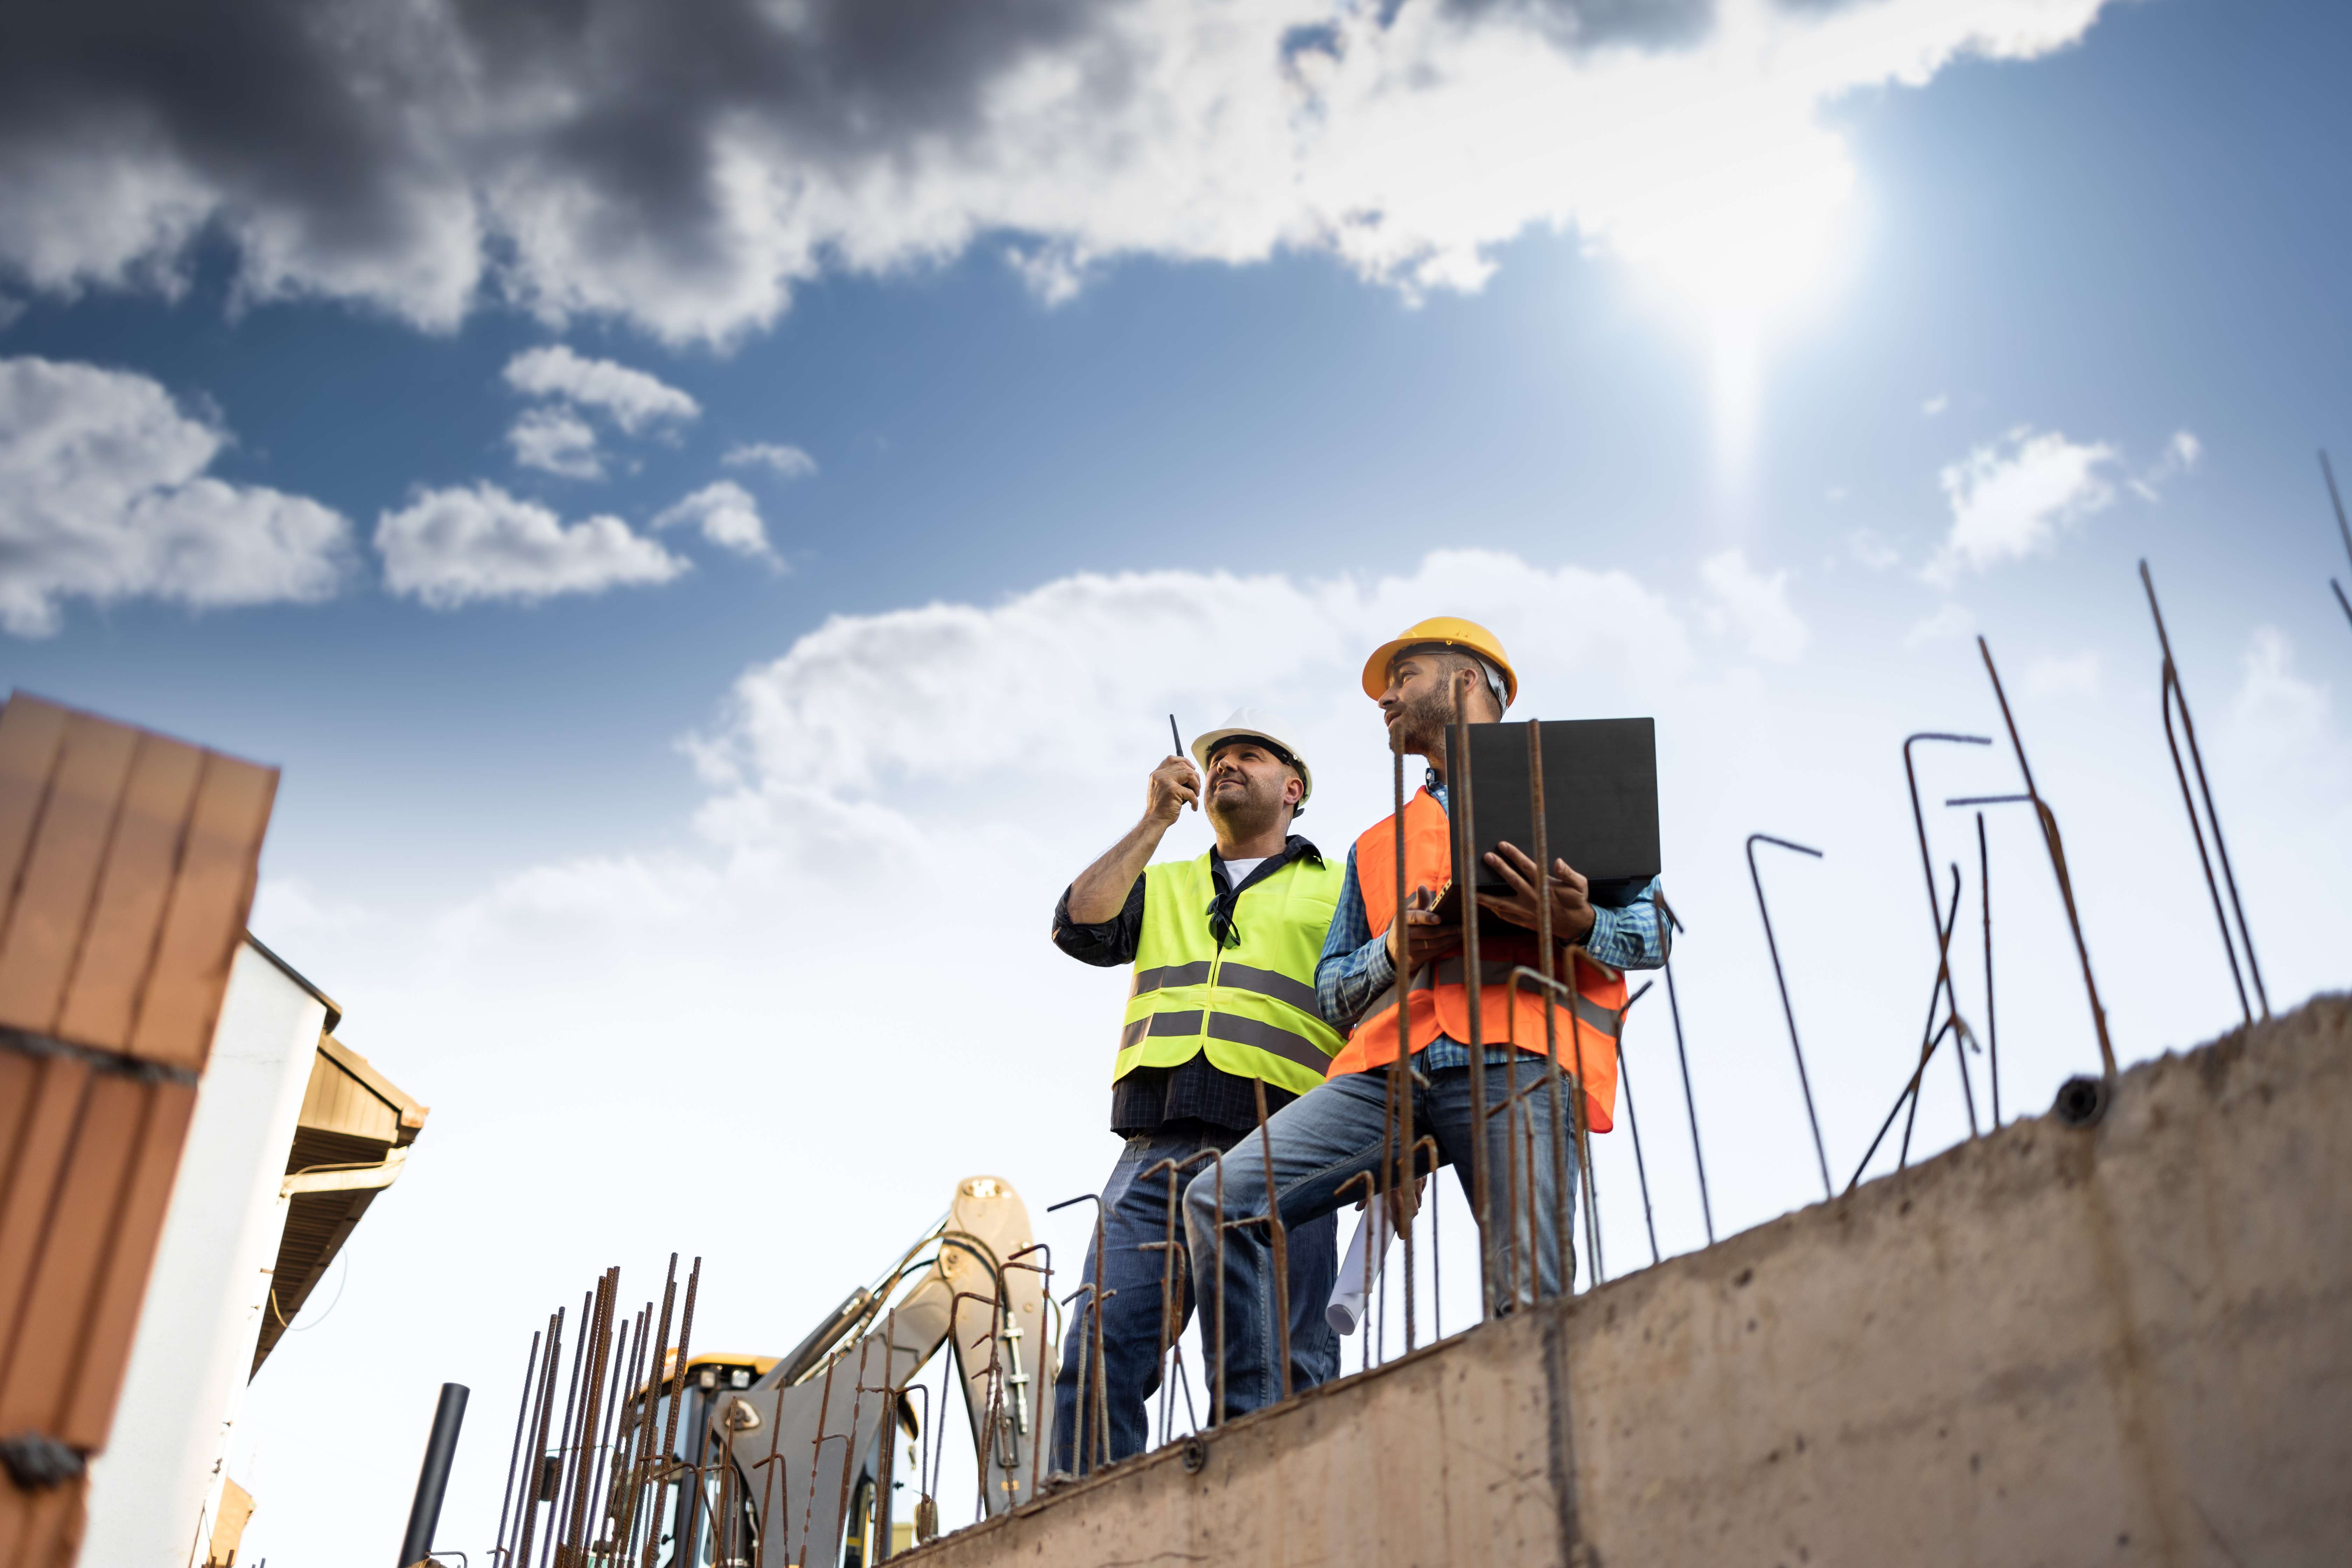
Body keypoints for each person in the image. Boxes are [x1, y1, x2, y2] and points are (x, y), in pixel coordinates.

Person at [1184, 617, 1668, 1420]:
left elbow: (1654, 934)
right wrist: (1394, 950)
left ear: (1471, 679)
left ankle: (1537, 1454)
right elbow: (1334, 989)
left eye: (1405, 673)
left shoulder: (1573, 785)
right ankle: (1248, 1436)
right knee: (1217, 1201)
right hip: (1390, 1080)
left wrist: (1578, 921)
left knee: (1528, 1300)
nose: (1385, 695)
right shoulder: (1379, 841)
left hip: (1522, 1061)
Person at [1046, 709, 1343, 1475]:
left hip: (1286, 1145)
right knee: (1099, 1350)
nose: (1226, 765)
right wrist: (1152, 821)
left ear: (1293, 788)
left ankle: (1273, 1523)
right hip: (1157, 1149)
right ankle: (1089, 1529)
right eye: (1217, 758)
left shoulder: (1340, 889)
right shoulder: (1164, 882)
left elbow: (1380, 1004)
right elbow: (1078, 925)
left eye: (1249, 755)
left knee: (1280, 1368)